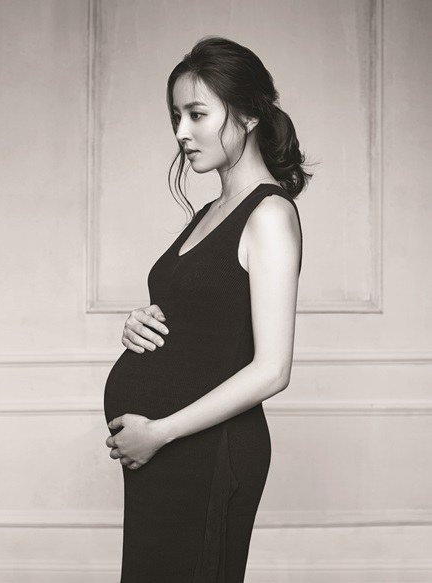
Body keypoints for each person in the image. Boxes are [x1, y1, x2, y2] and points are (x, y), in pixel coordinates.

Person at [103, 35, 312, 582]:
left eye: (197, 114)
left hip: (207, 452)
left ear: (248, 115)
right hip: (164, 454)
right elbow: (203, 321)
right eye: (177, 116)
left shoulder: (268, 215)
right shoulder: (211, 211)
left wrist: (161, 432)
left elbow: (273, 370)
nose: (181, 131)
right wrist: (140, 323)